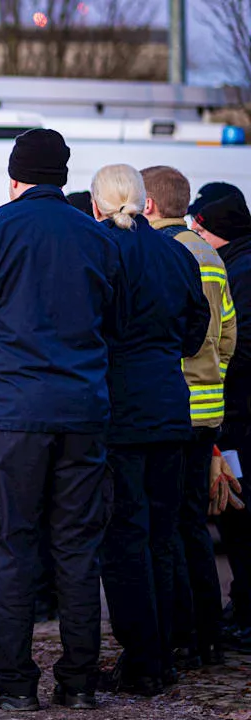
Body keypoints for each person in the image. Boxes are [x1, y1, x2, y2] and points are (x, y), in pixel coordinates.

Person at [0, 129, 121, 711]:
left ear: (14, 177)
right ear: (63, 178)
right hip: (84, 411)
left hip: (14, 411)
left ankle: (15, 682)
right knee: (77, 548)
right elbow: (115, 323)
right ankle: (80, 682)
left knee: (12, 547)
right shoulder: (98, 238)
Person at [92, 164, 209, 695]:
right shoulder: (177, 253)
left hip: (117, 410)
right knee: (163, 538)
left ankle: (140, 660)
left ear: (98, 205)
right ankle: (162, 654)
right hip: (169, 406)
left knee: (123, 539)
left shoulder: (97, 249)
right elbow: (195, 330)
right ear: (145, 202)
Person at [142, 166, 237, 668]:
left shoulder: (160, 254)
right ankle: (210, 636)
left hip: (169, 406)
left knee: (166, 528)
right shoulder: (210, 256)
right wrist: (211, 377)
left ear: (150, 206)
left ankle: (178, 637)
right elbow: (227, 338)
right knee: (195, 527)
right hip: (209, 410)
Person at [196, 191, 251, 653]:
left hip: (240, 417)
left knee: (240, 518)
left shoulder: (238, 269)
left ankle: (247, 615)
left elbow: (236, 345)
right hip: (236, 414)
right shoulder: (237, 262)